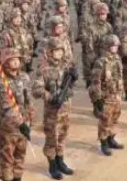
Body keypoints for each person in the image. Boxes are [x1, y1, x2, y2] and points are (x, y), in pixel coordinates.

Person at [32, 37, 77, 180]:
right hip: (52, 112)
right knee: (52, 138)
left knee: (62, 136)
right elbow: (36, 90)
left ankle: (60, 160)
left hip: (65, 109)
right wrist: (51, 97)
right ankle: (52, 165)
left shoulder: (65, 67)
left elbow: (70, 87)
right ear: (50, 52)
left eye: (61, 50)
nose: (59, 53)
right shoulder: (44, 69)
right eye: (56, 51)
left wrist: (73, 80)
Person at [0, 48, 34, 181]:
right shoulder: (2, 82)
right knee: (7, 160)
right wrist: (21, 123)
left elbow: (29, 100)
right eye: (12, 60)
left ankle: (18, 178)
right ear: (6, 63)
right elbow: (7, 107)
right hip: (8, 128)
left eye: (17, 59)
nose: (16, 62)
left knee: (20, 157)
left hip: (23, 125)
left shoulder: (24, 77)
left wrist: (30, 119)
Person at [88, 34, 125, 156]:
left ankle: (111, 138)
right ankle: (103, 142)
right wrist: (97, 99)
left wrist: (121, 92)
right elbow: (95, 82)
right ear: (107, 46)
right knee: (105, 120)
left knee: (115, 117)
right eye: (114, 46)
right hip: (106, 97)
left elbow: (120, 77)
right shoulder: (101, 62)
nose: (116, 48)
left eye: (117, 46)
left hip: (116, 95)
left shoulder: (117, 59)